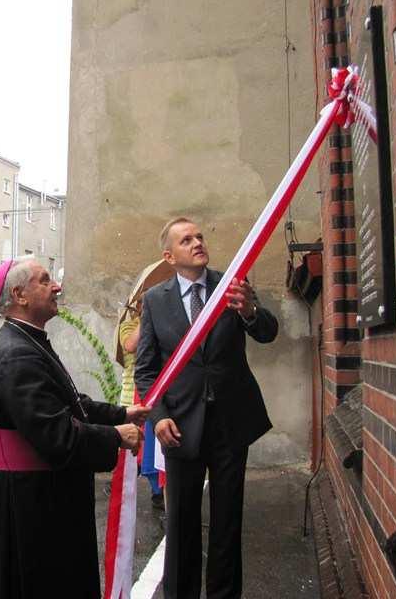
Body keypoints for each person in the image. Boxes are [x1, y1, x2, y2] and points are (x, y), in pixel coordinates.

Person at [0, 257, 148, 599]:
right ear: (19, 295)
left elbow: (72, 401)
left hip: (45, 494)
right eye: (45, 281)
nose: (57, 286)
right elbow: (56, 435)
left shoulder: (27, 342)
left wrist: (123, 413)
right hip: (34, 504)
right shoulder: (17, 355)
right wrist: (116, 436)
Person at [135, 217, 278, 599]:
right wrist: (159, 416)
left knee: (227, 522)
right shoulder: (155, 301)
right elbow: (146, 371)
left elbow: (268, 331)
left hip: (231, 422)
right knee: (181, 523)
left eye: (199, 236)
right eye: (187, 240)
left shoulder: (232, 286)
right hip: (180, 425)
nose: (198, 242)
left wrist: (249, 311)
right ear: (170, 255)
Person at [118, 297, 164, 510]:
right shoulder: (127, 326)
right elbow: (130, 345)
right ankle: (122, 487)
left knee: (152, 446)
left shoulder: (159, 323)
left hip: (151, 395)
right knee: (133, 446)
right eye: (143, 301)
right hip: (131, 395)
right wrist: (149, 316)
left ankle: (157, 492)